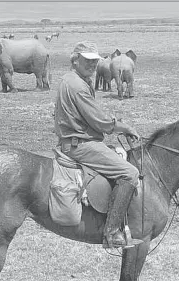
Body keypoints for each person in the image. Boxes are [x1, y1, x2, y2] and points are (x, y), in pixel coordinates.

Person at [53, 41, 142, 249]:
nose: (93, 65)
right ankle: (111, 232)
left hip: (75, 140)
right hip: (81, 145)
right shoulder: (77, 86)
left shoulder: (71, 80)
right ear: (75, 60)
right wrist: (123, 127)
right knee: (130, 173)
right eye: (87, 61)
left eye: (95, 61)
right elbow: (99, 121)